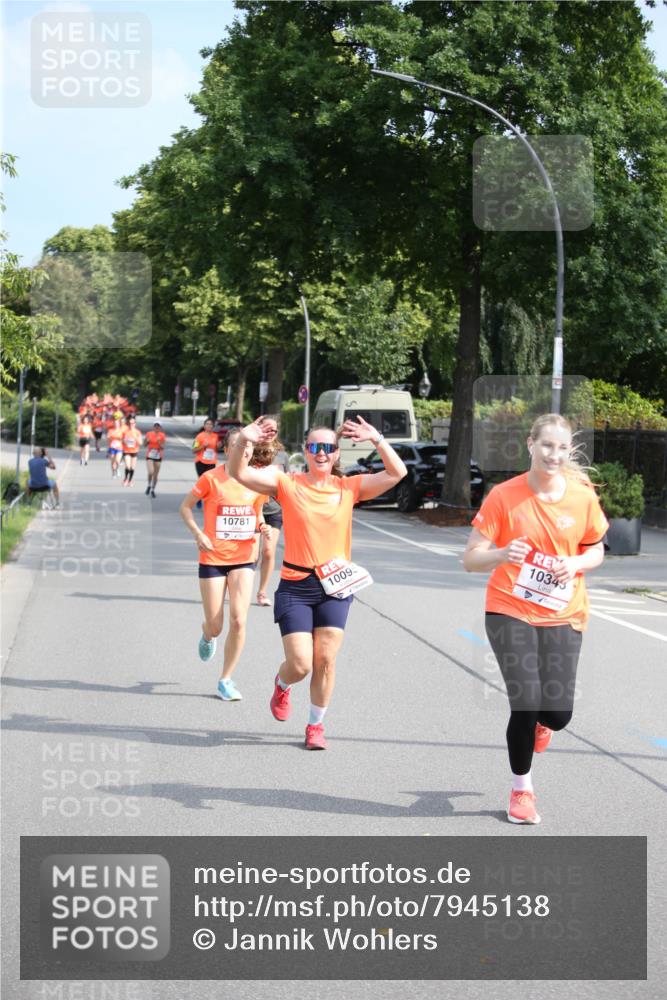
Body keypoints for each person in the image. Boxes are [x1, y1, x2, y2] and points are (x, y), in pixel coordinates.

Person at [227, 415, 407, 750]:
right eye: (315, 447)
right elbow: (238, 472)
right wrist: (244, 441)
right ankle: (282, 683)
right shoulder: (287, 483)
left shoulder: (349, 487)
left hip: (335, 587)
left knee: (325, 660)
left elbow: (398, 473)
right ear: (305, 452)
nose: (321, 453)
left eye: (328, 448)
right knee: (301, 664)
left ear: (337, 453)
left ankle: (315, 726)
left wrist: (377, 439)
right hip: (296, 585)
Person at [462, 413, 608, 825]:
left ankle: (544, 723)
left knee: (558, 714)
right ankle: (521, 790)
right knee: (525, 700)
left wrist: (575, 562)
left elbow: (596, 549)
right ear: (530, 445)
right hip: (510, 608)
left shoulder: (581, 497)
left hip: (564, 612)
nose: (554, 454)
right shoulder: (503, 497)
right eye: (547, 445)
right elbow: (471, 559)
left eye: (563, 448)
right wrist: (501, 554)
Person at [179, 430, 276, 701]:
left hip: (244, 559)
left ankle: (226, 679)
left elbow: (256, 513)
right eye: (238, 445)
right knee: (216, 625)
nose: (244, 450)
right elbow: (185, 508)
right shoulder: (211, 478)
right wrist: (199, 535)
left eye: (248, 447)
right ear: (227, 449)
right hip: (212, 558)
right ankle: (207, 635)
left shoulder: (255, 481)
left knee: (239, 619)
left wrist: (263, 526)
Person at [255, 438, 290, 607]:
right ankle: (238, 584)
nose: (271, 433)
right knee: (252, 555)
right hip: (253, 510)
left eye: (274, 430)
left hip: (275, 510)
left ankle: (262, 592)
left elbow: (289, 482)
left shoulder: (283, 456)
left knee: (268, 551)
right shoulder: (250, 455)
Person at [144, 421, 166, 497]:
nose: (157, 427)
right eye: (155, 426)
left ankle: (153, 489)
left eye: (158, 426)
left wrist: (159, 443)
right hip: (150, 455)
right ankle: (149, 485)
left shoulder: (162, 435)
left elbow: (163, 447)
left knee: (156, 475)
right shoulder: (149, 434)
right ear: (153, 427)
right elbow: (144, 445)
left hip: (158, 455)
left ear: (160, 428)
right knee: (150, 472)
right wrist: (147, 441)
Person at [121, 415, 143, 487]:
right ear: (128, 424)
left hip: (134, 451)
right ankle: (125, 479)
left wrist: (136, 438)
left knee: (132, 467)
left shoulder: (137, 432)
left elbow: (141, 443)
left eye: (133, 423)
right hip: (127, 451)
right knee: (128, 466)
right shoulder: (125, 431)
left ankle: (130, 481)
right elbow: (122, 441)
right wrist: (124, 441)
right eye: (130, 423)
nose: (131, 425)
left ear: (135, 424)